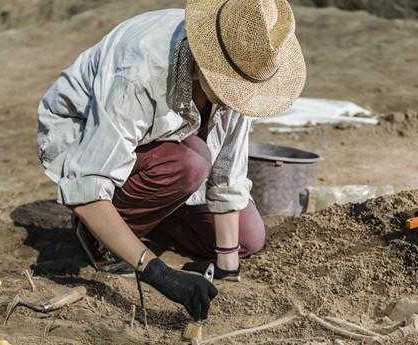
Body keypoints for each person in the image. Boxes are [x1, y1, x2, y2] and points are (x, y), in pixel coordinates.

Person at [36, 0, 306, 322]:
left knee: (248, 238)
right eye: (231, 87)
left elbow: (227, 178)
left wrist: (227, 269)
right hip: (84, 137)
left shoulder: (245, 65)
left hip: (166, 146)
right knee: (191, 163)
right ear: (207, 62)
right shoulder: (140, 70)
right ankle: (99, 240)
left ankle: (152, 213)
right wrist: (158, 273)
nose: (237, 97)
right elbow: (87, 189)